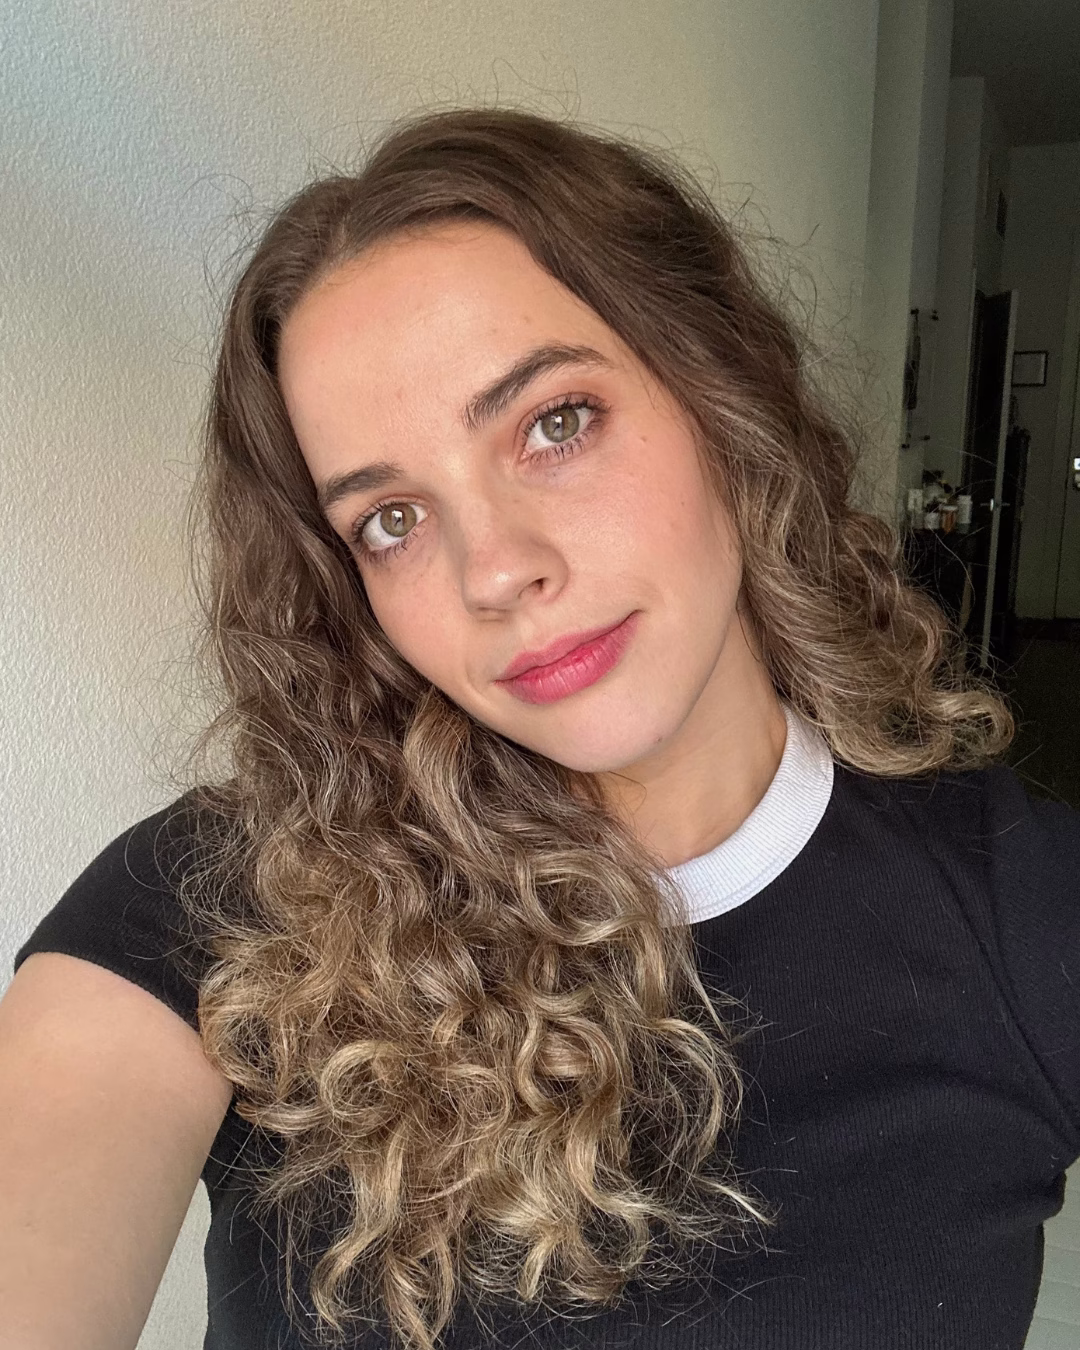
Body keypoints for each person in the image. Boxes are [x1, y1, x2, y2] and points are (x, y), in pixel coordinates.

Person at [4, 107, 1079, 1350]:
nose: (496, 570)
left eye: (556, 423)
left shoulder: (1021, 907)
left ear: (720, 392)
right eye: (391, 519)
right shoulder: (213, 907)